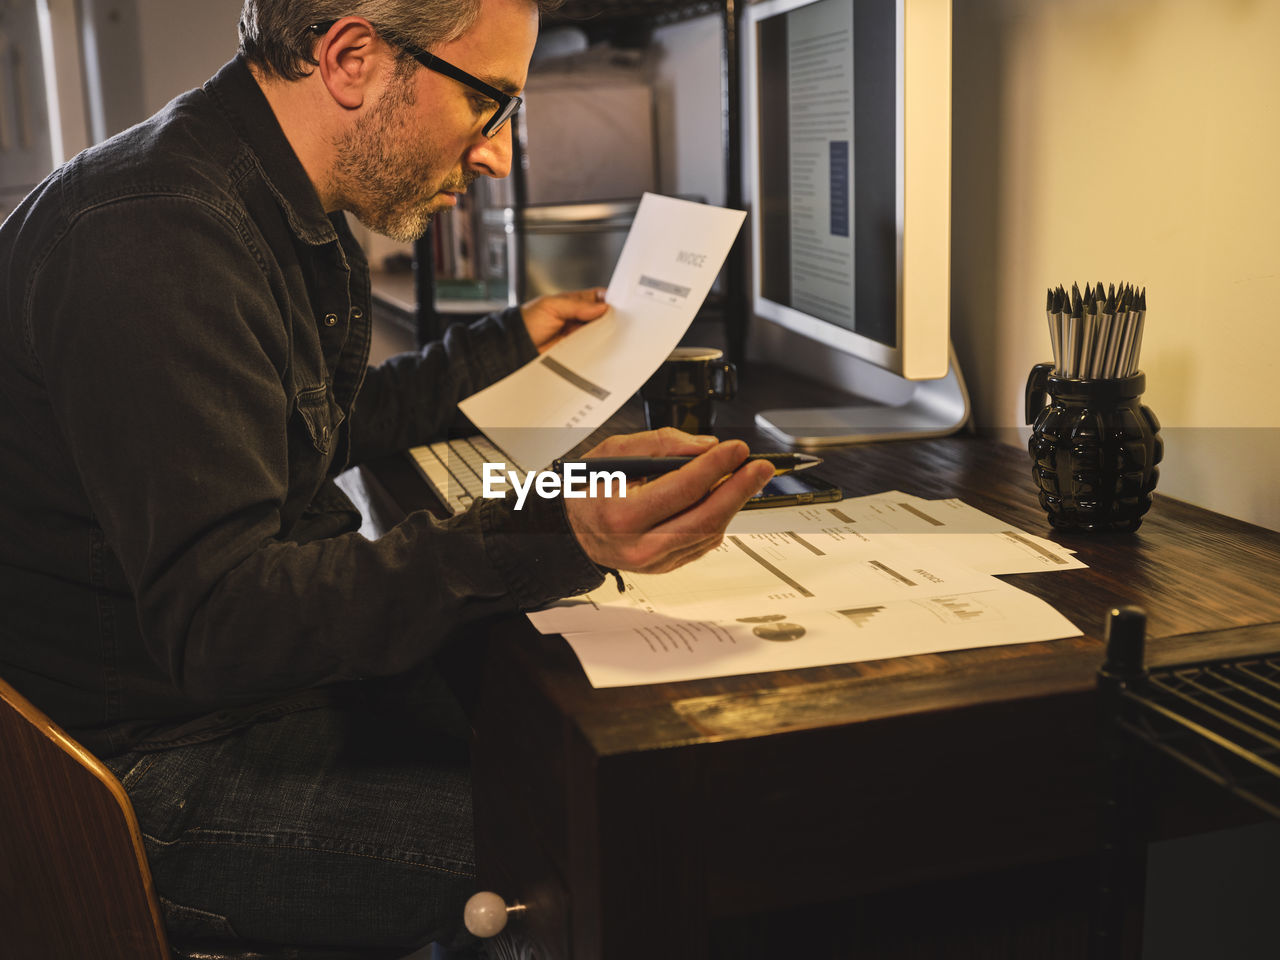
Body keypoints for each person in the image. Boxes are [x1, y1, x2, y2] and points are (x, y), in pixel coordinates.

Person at [0, 0, 773, 952]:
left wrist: (503, 357)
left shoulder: (258, 196)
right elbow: (225, 622)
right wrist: (559, 529)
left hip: (215, 705)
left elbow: (299, 431)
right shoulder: (156, 238)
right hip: (140, 772)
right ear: (354, 58)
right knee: (605, 841)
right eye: (489, 104)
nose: (495, 155)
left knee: (594, 754)